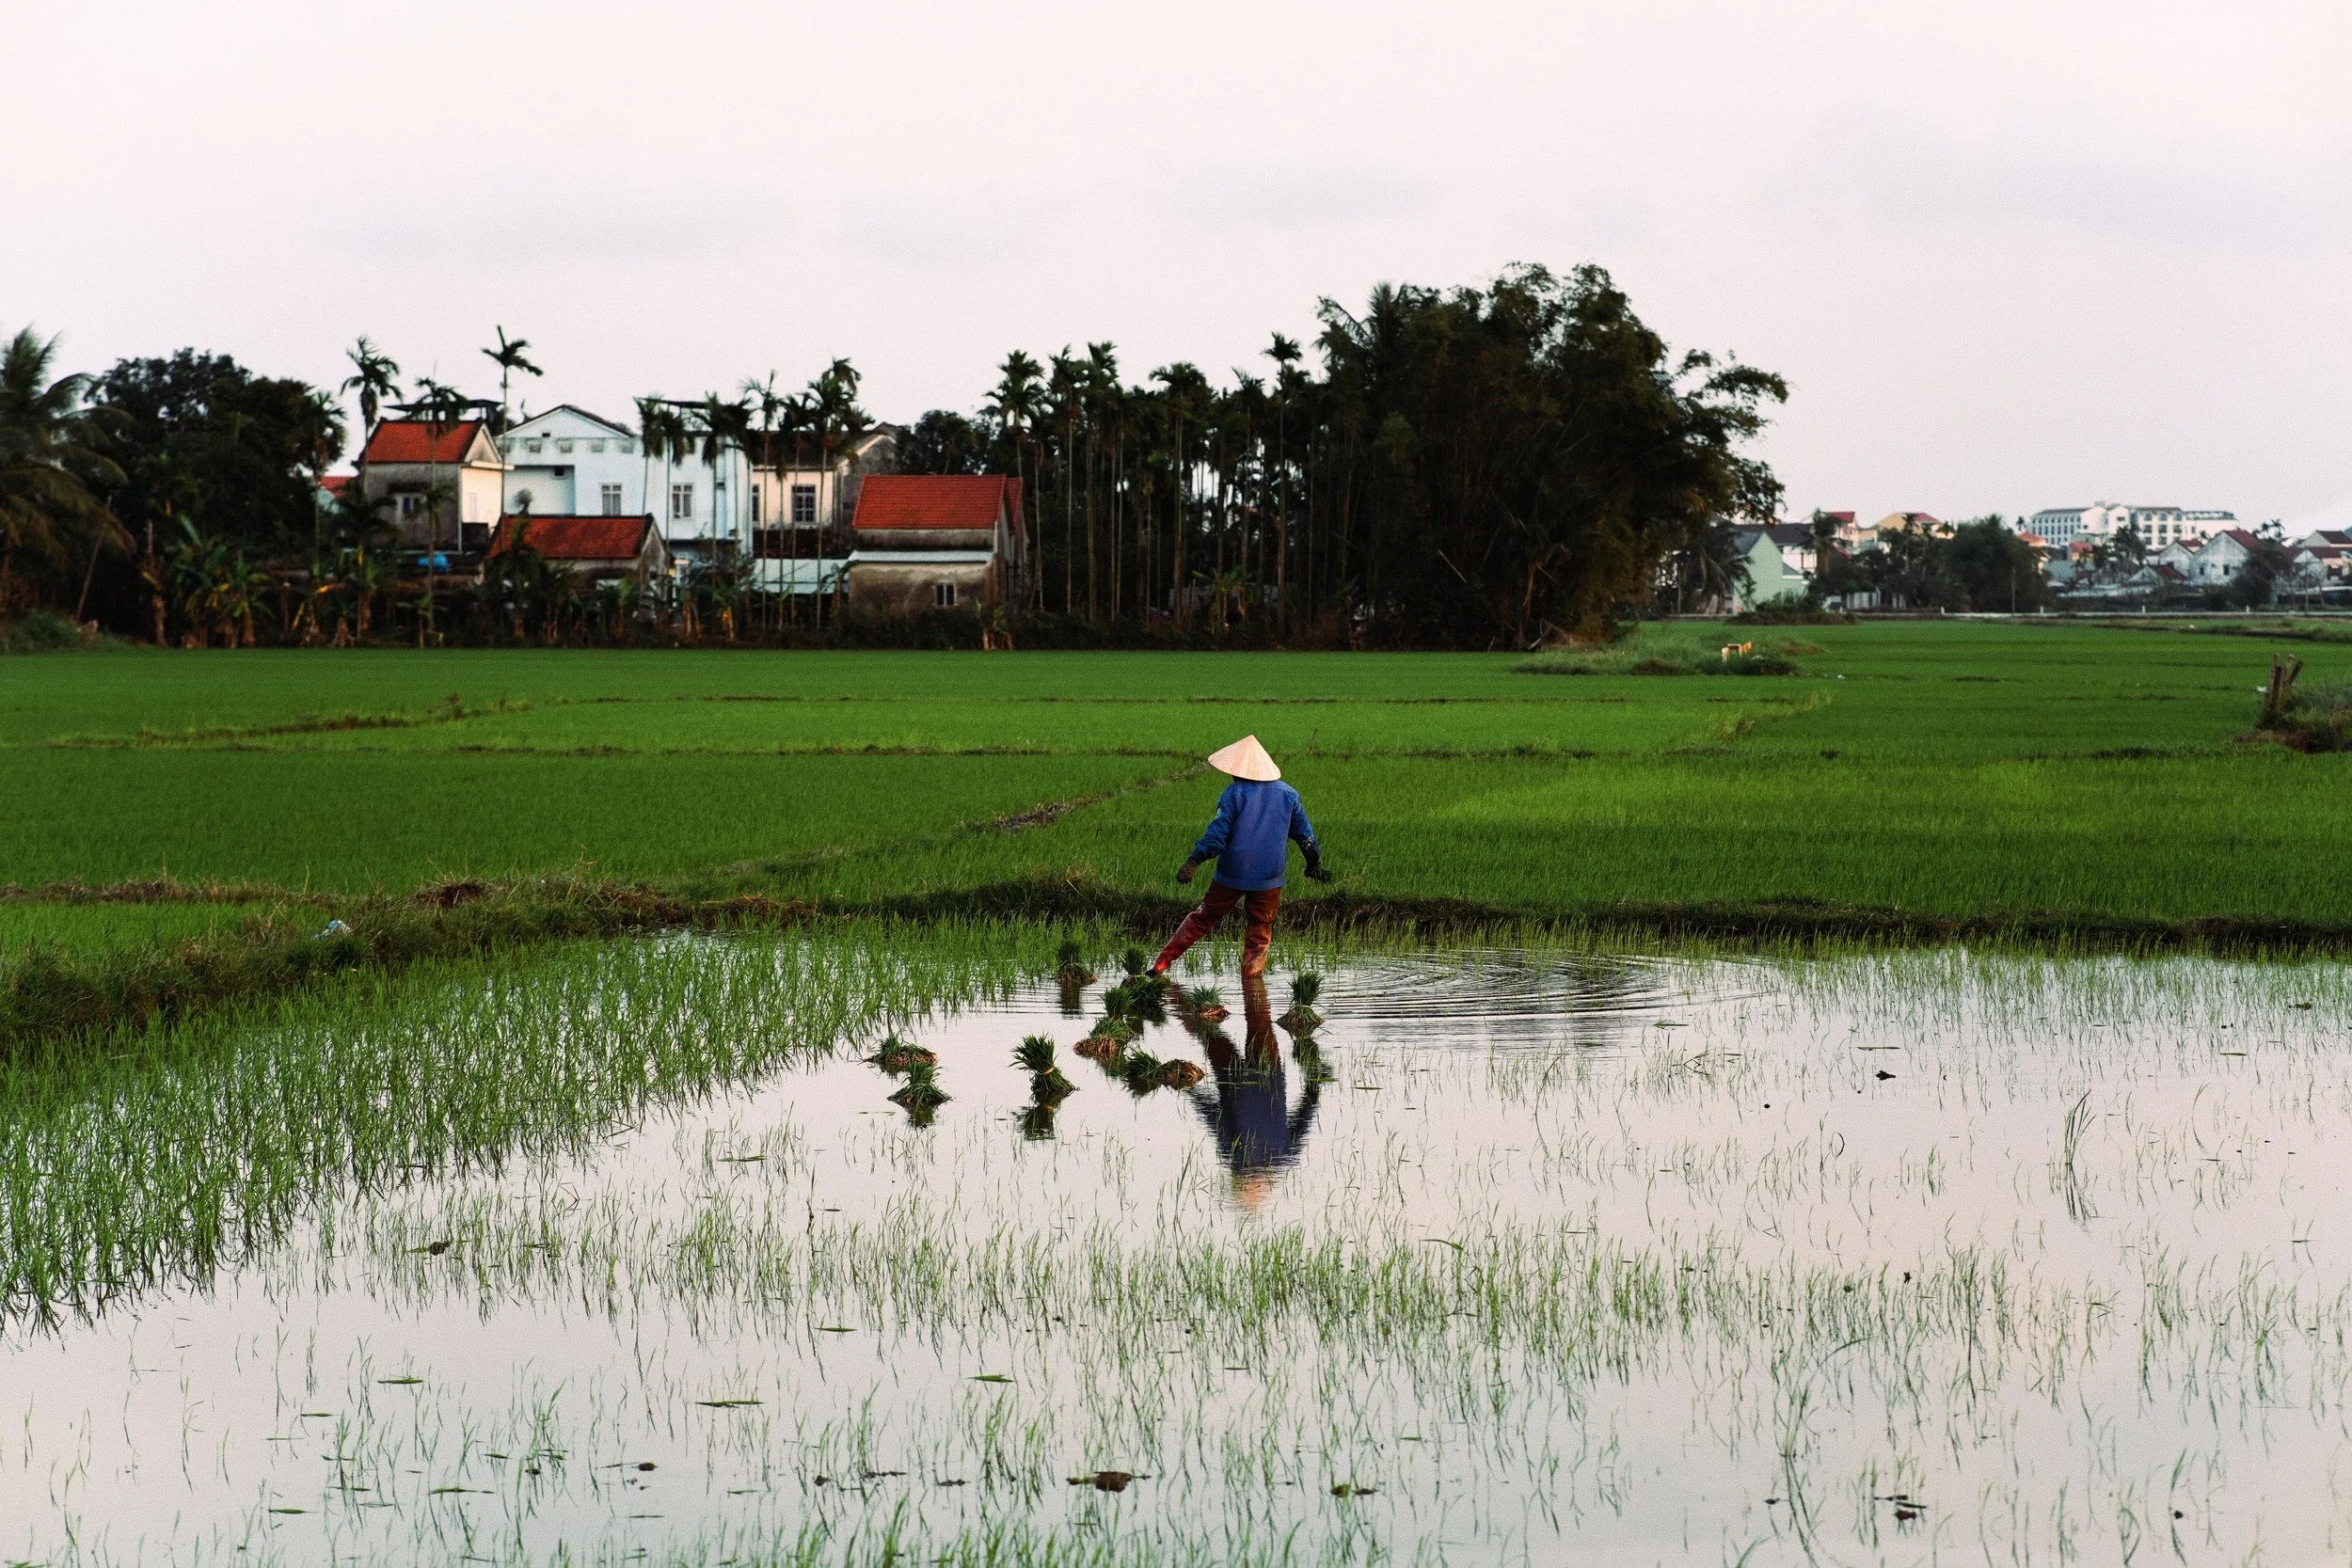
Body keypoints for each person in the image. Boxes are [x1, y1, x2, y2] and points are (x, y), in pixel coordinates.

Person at [1151, 735, 1329, 979]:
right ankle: (1252, 985)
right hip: (1270, 878)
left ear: (1240, 771)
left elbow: (1215, 837)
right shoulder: (1288, 795)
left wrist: (1193, 861)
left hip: (1232, 874)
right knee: (1260, 931)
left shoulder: (1233, 794)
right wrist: (1314, 865)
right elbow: (1306, 838)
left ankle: (1161, 964)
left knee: (1204, 917)